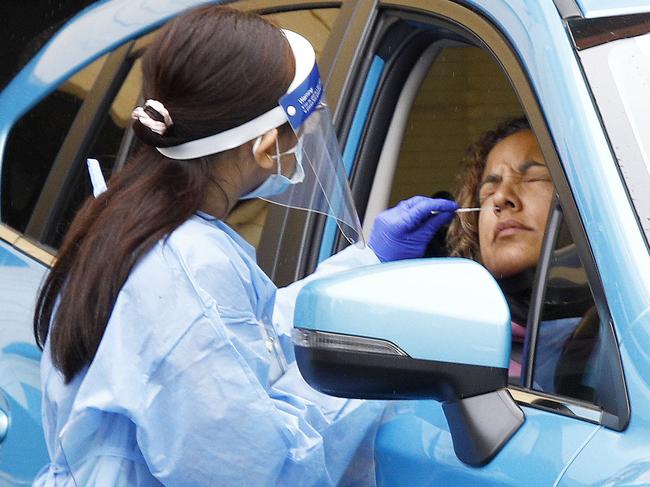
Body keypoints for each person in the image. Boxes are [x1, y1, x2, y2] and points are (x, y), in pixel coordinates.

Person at [32, 6, 455, 486]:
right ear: (265, 146)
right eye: (300, 134)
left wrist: (369, 263)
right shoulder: (187, 266)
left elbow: (248, 334)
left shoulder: (127, 223)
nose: (301, 151)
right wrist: (381, 368)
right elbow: (264, 471)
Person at [446, 117, 586, 389]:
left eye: (534, 177)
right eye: (488, 190)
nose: (500, 198)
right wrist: (376, 261)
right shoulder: (446, 346)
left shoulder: (625, 330)